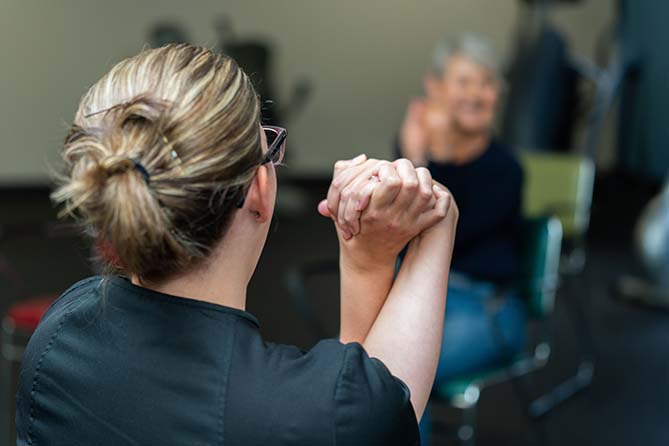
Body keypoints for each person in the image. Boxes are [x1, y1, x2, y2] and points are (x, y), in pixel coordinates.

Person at [15, 44, 458, 446]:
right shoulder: (316, 416)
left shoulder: (58, 338)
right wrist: (439, 219)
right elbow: (373, 412)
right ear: (260, 189)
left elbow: (362, 403)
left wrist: (367, 263)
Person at [395, 33, 526, 441]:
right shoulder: (413, 156)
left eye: (487, 84)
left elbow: (439, 234)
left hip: (487, 309)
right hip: (416, 298)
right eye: (464, 81)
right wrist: (415, 158)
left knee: (398, 378)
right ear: (434, 88)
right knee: (365, 372)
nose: (476, 94)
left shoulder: (505, 170)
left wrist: (420, 161)